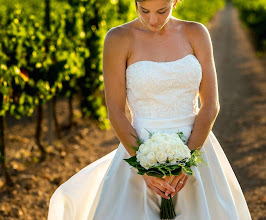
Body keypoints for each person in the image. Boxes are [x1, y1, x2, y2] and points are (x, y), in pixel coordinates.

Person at [47, 0, 252, 219]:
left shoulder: (196, 33)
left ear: (174, 1)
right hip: (140, 148)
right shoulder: (117, 38)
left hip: (196, 145)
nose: (153, 20)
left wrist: (187, 161)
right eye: (144, 10)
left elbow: (211, 104)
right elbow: (116, 111)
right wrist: (143, 168)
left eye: (162, 11)